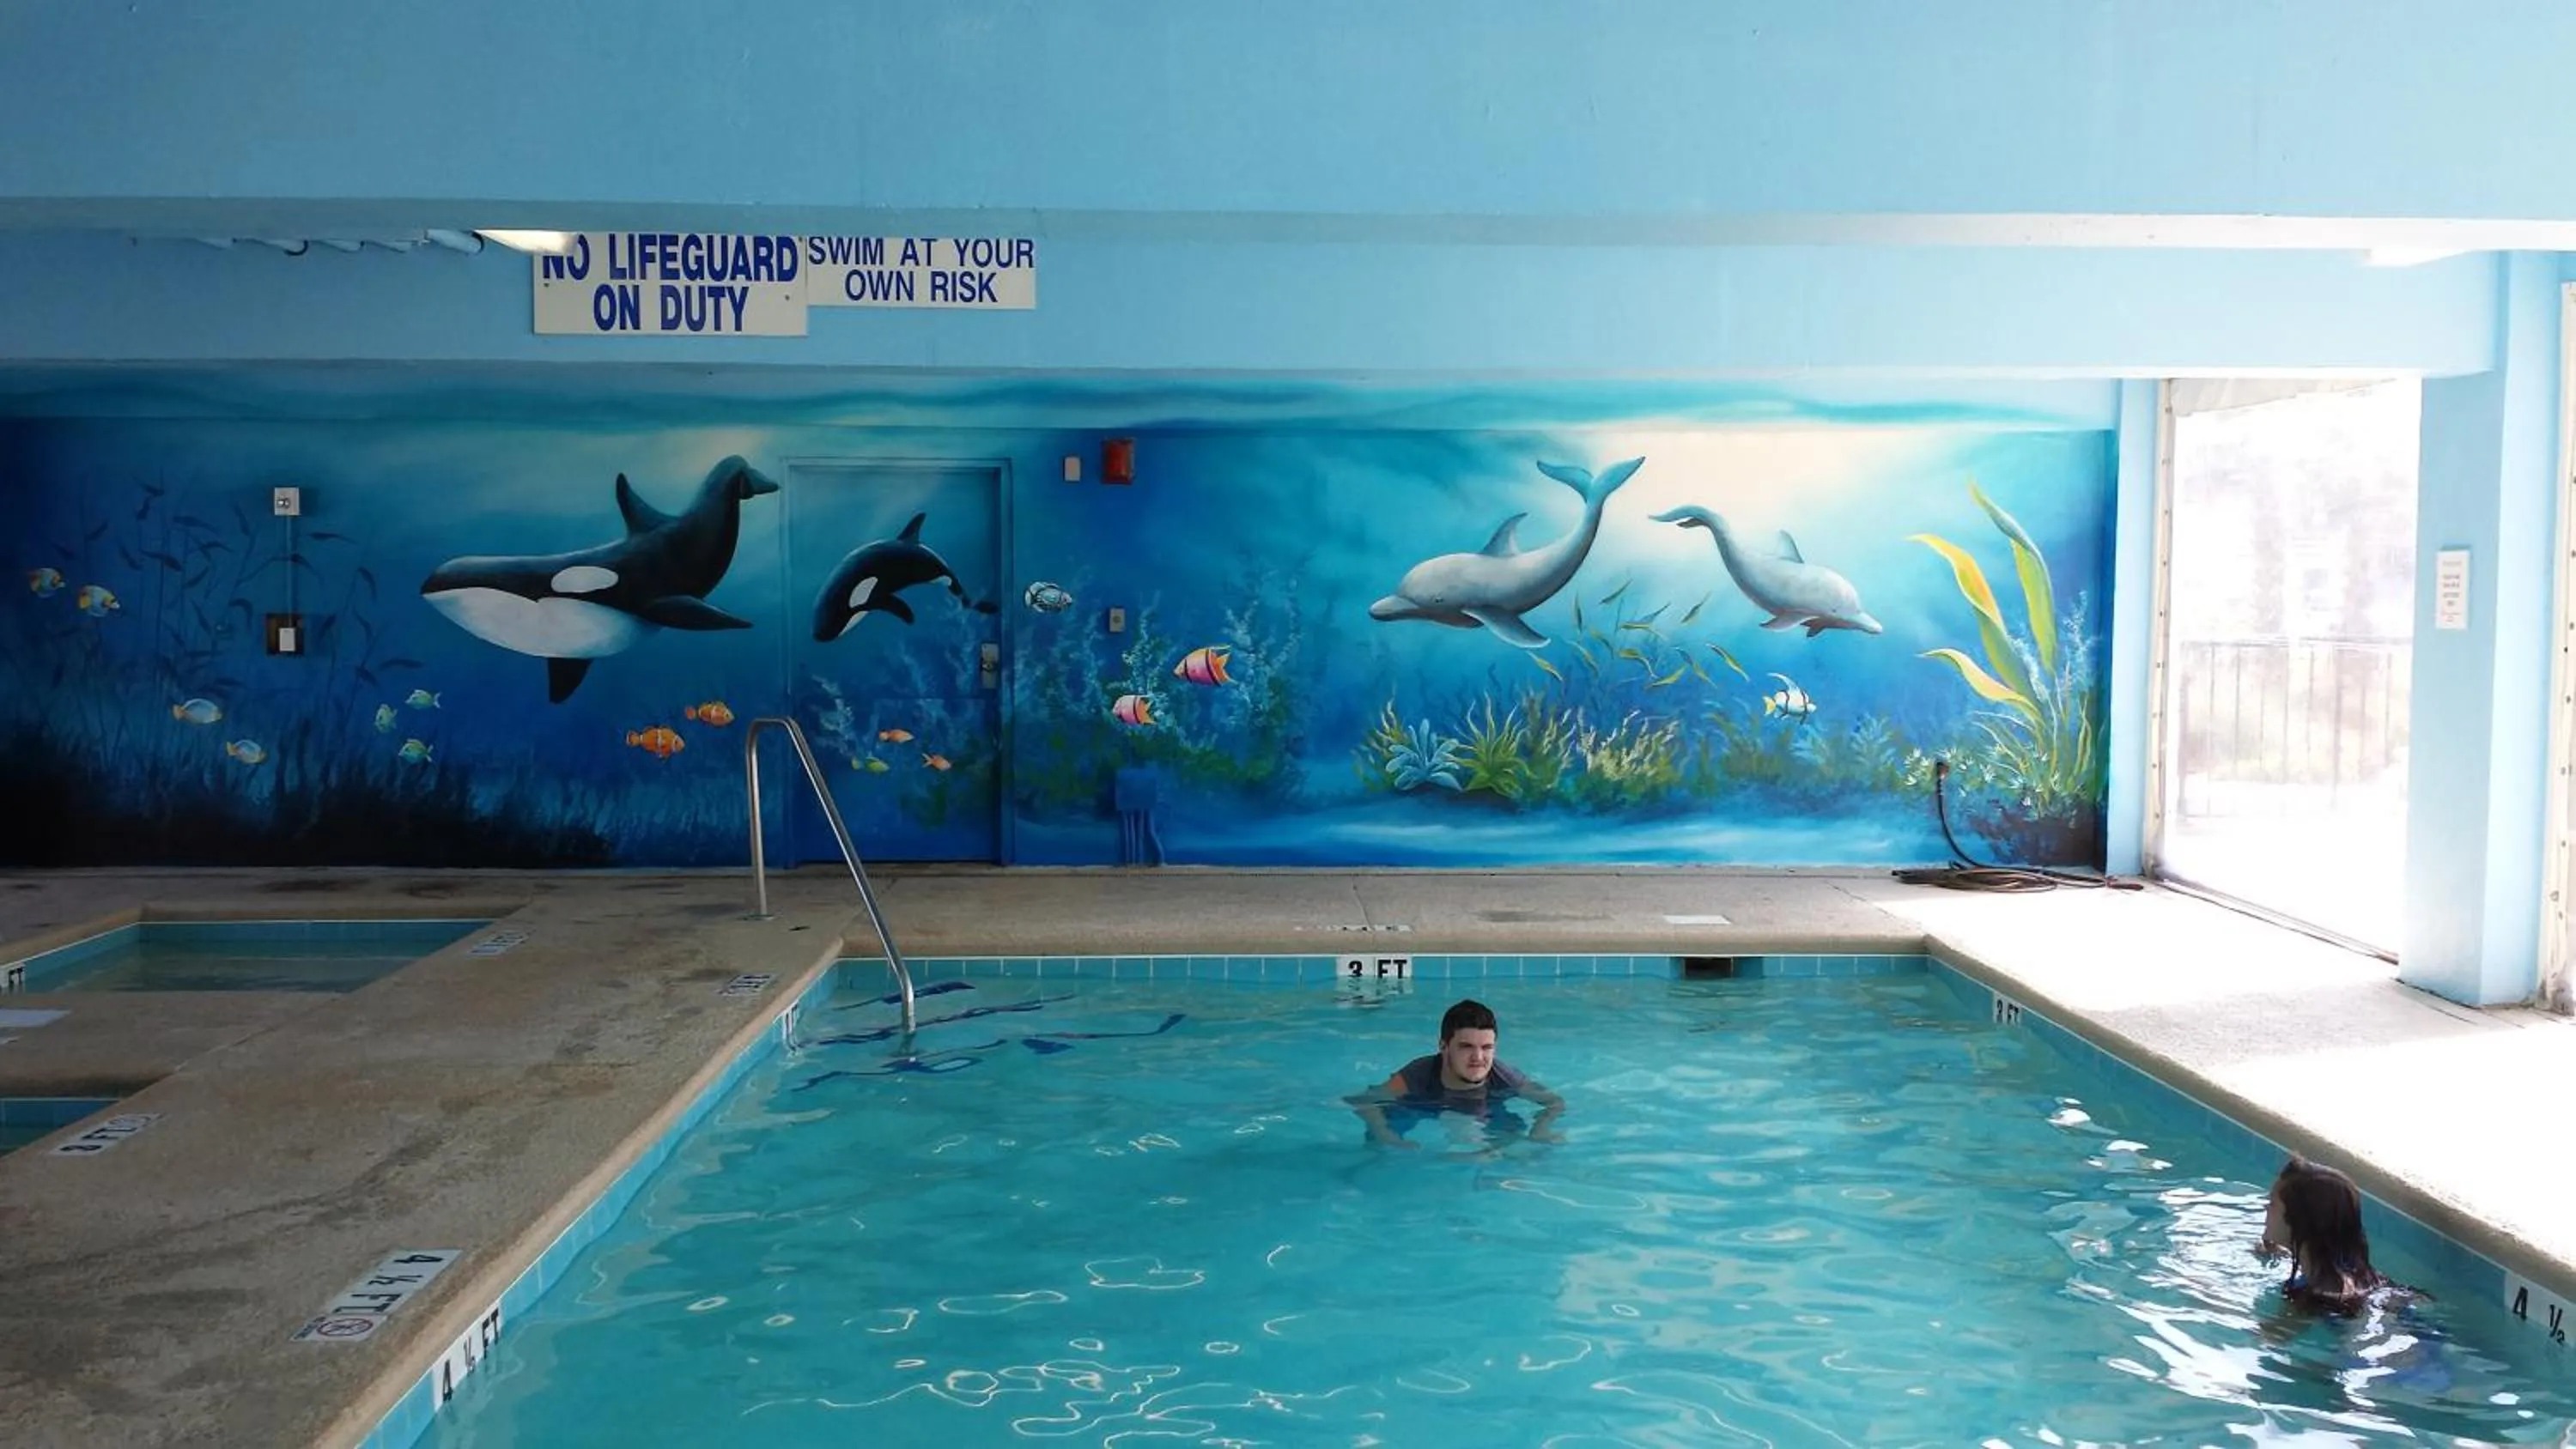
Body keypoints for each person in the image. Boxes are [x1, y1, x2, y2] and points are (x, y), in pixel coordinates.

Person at [1350, 997, 1564, 1150]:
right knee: (1378, 1144)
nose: (1478, 1057)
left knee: (1517, 1148)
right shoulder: (1417, 1075)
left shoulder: (1504, 1077)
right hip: (1422, 1107)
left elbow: (1554, 1102)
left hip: (1486, 1109)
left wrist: (1541, 1129)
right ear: (1444, 1046)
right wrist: (1386, 1136)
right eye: (1466, 1047)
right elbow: (1365, 1101)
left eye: (1487, 1047)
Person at [2256, 1155, 2415, 1312]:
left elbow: (2273, 1336)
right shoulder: (2353, 1275)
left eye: (2273, 1203)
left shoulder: (2321, 1297)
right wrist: (2283, 1251)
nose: (2266, 1208)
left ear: (2300, 1224)